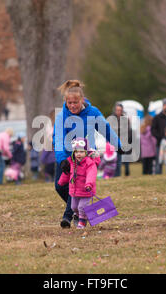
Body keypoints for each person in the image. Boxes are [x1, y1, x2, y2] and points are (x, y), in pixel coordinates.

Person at [53, 80, 121, 229]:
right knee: (60, 186)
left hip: (87, 157)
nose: (72, 106)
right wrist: (61, 159)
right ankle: (78, 212)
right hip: (68, 157)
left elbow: (106, 129)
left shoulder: (92, 112)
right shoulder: (61, 116)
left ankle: (70, 215)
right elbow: (58, 138)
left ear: (82, 100)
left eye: (75, 102)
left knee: (81, 187)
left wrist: (118, 144)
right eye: (69, 103)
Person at [58, 138, 98, 229]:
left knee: (81, 207)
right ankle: (84, 216)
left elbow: (91, 174)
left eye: (81, 152)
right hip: (75, 191)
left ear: (86, 152)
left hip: (86, 190)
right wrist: (61, 182)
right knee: (73, 207)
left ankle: (82, 222)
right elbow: (68, 173)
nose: (78, 154)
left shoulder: (89, 163)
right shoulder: (72, 162)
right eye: (76, 152)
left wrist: (89, 184)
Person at [109, 102, 132, 177]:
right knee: (116, 160)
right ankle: (116, 175)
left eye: (120, 110)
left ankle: (126, 173)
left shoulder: (125, 119)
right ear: (115, 110)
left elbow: (128, 130)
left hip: (123, 141)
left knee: (125, 159)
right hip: (114, 142)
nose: (119, 112)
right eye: (117, 110)